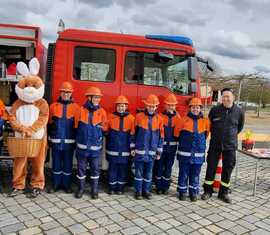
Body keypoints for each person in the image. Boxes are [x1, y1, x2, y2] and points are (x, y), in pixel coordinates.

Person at [8, 58, 49, 198]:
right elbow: (12, 118)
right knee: (19, 162)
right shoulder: (17, 103)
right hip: (21, 138)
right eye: (26, 85)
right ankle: (18, 185)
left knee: (38, 162)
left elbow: (43, 118)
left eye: (33, 85)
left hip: (38, 138)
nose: (29, 88)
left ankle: (37, 184)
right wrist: (21, 129)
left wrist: (31, 130)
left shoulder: (42, 103)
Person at [201, 88, 245, 203]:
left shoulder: (239, 112)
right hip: (215, 144)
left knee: (227, 169)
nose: (225, 98)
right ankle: (207, 191)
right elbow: (209, 126)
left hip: (230, 146)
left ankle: (223, 192)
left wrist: (230, 137)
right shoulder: (215, 110)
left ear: (233, 97)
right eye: (223, 96)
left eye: (228, 96)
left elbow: (239, 128)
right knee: (211, 168)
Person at [75, 86, 107, 199]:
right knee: (81, 169)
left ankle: (94, 190)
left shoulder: (102, 112)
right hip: (82, 148)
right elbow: (75, 127)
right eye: (95, 97)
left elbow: (104, 129)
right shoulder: (80, 110)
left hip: (95, 149)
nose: (97, 99)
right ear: (89, 98)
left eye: (99, 97)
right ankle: (80, 189)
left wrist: (98, 138)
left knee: (95, 170)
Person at [175, 98, 209, 202]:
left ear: (200, 109)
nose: (195, 109)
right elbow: (177, 135)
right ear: (190, 108)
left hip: (198, 155)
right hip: (185, 154)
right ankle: (182, 192)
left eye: (197, 107)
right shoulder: (182, 120)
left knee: (195, 175)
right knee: (183, 173)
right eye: (193, 107)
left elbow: (206, 135)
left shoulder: (205, 121)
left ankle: (193, 193)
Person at [48, 81, 80, 193]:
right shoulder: (53, 106)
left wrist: (77, 142)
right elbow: (49, 124)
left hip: (69, 143)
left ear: (71, 94)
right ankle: (56, 184)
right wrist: (49, 139)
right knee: (56, 163)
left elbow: (77, 127)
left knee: (68, 164)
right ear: (60, 93)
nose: (66, 94)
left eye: (68, 92)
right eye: (64, 92)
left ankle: (66, 185)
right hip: (56, 141)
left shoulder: (76, 108)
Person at [133, 94, 164, 200]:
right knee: (138, 173)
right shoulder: (138, 117)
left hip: (151, 152)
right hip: (140, 151)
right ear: (146, 106)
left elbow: (161, 137)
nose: (151, 108)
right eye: (149, 106)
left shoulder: (159, 119)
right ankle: (138, 192)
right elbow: (133, 133)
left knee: (149, 173)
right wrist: (132, 148)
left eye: (153, 106)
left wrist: (159, 152)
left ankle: (146, 191)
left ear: (156, 107)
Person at [106, 95, 135, 195]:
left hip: (125, 150)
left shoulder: (131, 118)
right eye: (119, 106)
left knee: (123, 170)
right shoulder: (110, 117)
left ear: (126, 106)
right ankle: (112, 187)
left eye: (123, 106)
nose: (121, 108)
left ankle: (120, 188)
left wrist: (132, 148)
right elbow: (105, 131)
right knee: (112, 170)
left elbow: (132, 135)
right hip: (113, 149)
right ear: (116, 106)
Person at [154, 94, 181, 194]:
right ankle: (158, 187)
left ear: (175, 106)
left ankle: (165, 187)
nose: (171, 107)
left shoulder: (178, 118)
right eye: (169, 105)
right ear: (165, 105)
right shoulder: (160, 117)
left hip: (172, 147)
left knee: (168, 167)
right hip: (162, 146)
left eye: (173, 105)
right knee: (159, 167)